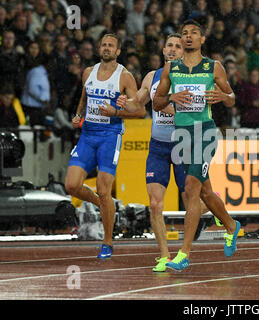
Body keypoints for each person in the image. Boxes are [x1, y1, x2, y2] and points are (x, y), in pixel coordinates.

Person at [150, 19, 240, 271]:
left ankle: (185, 253)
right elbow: (156, 103)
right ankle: (232, 226)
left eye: (193, 34)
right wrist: (171, 97)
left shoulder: (214, 67)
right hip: (181, 135)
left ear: (202, 40)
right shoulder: (172, 69)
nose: (188, 37)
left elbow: (232, 98)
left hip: (205, 132)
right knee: (205, 193)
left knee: (190, 188)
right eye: (185, 34)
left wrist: (223, 96)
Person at [115, 33, 189, 272]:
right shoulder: (151, 76)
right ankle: (165, 255)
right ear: (163, 49)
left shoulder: (191, 76)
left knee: (193, 202)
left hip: (182, 145)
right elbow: (138, 104)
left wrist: (166, 105)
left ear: (183, 51)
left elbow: (188, 112)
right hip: (157, 146)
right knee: (156, 204)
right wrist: (121, 103)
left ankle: (213, 204)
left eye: (178, 46)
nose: (173, 50)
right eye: (169, 45)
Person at [64, 34, 139, 259]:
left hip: (110, 135)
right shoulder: (88, 72)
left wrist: (116, 111)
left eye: (111, 46)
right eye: (104, 45)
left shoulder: (125, 77)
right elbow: (84, 97)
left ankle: (107, 242)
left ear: (118, 52)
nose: (106, 48)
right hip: (88, 135)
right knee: (71, 185)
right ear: (99, 49)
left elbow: (140, 110)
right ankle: (103, 205)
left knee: (104, 188)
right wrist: (78, 115)